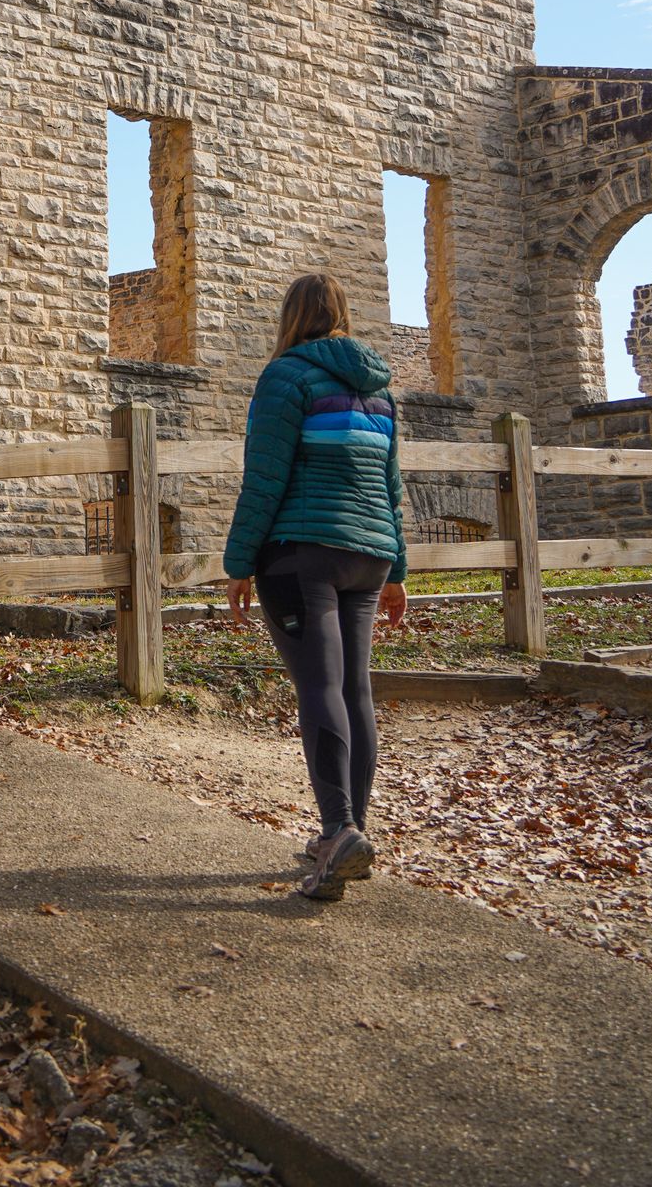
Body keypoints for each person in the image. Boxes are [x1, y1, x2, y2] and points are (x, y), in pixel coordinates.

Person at [224, 272, 408, 901]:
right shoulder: (380, 391)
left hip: (303, 554)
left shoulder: (286, 377)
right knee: (354, 688)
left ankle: (338, 830)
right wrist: (398, 571)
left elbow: (265, 477)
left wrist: (239, 560)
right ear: (342, 315)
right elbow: (392, 489)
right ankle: (346, 831)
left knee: (322, 686)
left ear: (291, 316)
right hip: (368, 557)